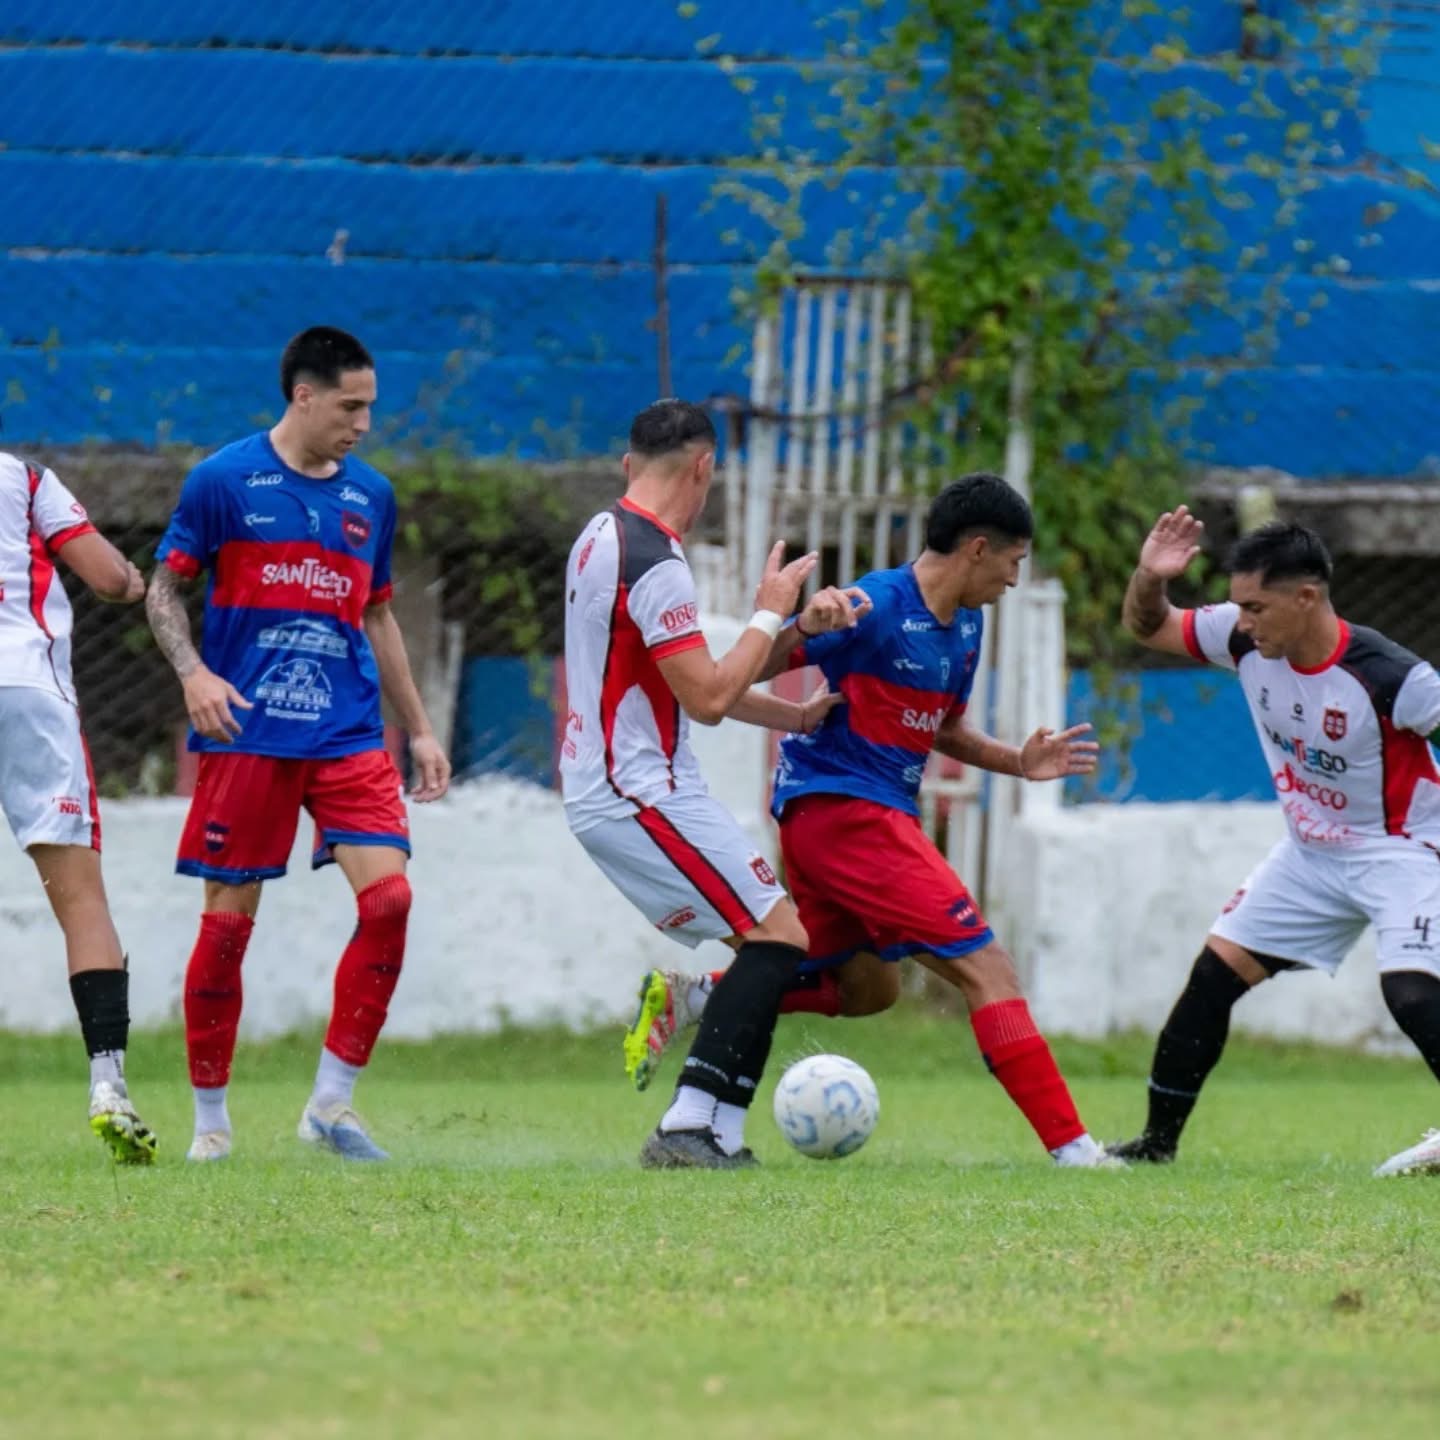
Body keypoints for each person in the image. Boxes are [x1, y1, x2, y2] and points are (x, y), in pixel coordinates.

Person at [626, 472, 1117, 1167]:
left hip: (850, 816)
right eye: (1013, 562)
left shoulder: (966, 625)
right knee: (988, 969)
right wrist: (801, 624)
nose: (1014, 579)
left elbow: (945, 728)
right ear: (978, 549)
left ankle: (697, 998)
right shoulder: (876, 605)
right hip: (846, 812)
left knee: (866, 989)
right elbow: (739, 674)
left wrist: (1017, 761)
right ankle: (1077, 1153)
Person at [147, 326, 451, 1164]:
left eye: (370, 407)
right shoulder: (222, 480)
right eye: (351, 407)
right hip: (246, 732)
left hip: (346, 731)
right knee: (227, 928)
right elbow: (164, 591)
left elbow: (378, 615)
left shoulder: (371, 496)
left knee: (389, 902)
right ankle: (211, 1124)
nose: (363, 424)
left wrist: (421, 728)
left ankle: (331, 1106)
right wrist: (194, 675)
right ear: (304, 395)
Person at [563, 398, 868, 1169]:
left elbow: (689, 681)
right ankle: (686, 1126)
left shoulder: (601, 535)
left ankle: (718, 1135)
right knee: (778, 937)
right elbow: (706, 697)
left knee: (774, 942)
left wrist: (793, 703)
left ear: (630, 464)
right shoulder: (657, 562)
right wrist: (770, 614)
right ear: (704, 468)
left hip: (623, 786)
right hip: (637, 792)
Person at [1110, 508, 1440, 1176]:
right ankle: (1155, 1146)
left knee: (1410, 992)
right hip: (1310, 855)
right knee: (1212, 979)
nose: (1244, 621)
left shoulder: (1393, 678)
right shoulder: (1242, 639)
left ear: (1307, 597)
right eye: (1239, 607)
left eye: (1256, 607)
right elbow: (1147, 625)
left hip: (1402, 849)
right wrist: (1149, 577)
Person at [0, 450, 156, 1162]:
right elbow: (109, 579)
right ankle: (108, 1086)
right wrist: (134, 578)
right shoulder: (26, 477)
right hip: (27, 692)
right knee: (81, 901)